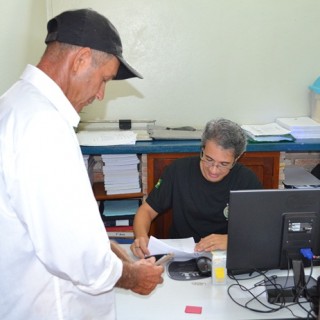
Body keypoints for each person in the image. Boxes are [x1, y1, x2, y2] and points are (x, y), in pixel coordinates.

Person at [0, 9, 164, 320]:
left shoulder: (14, 105)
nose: (101, 95)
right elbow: (75, 254)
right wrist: (132, 277)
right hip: (52, 307)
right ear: (80, 60)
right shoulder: (43, 126)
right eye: (104, 79)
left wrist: (117, 254)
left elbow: (66, 226)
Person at [131, 118, 263, 258]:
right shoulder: (177, 171)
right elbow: (146, 211)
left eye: (224, 164)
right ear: (202, 149)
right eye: (209, 159)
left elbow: (262, 227)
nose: (213, 170)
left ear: (236, 159)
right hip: (181, 256)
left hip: (225, 255)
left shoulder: (246, 180)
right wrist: (141, 237)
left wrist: (232, 240)